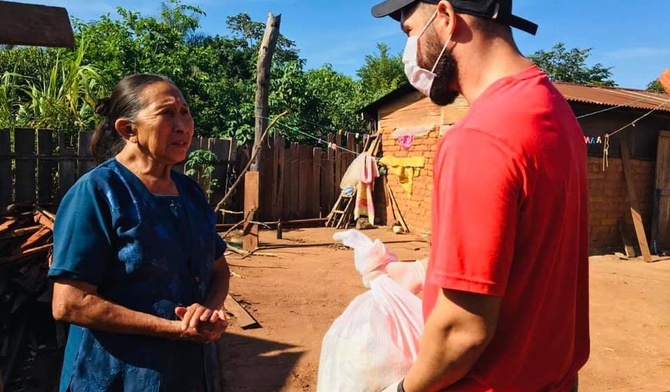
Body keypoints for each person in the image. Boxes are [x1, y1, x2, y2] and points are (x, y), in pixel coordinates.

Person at [372, 1, 589, 391]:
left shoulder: (479, 138)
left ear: (446, 17)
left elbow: (461, 331)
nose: (409, 51)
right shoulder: (555, 112)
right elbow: (530, 251)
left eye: (408, 32)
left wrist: (401, 391)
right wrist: (425, 270)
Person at [49, 74, 231, 392]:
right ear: (128, 129)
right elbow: (70, 303)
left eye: (185, 112)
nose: (182, 125)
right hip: (115, 376)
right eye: (167, 113)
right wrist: (172, 329)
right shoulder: (97, 192)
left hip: (189, 373)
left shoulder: (190, 193)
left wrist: (209, 313)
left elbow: (218, 270)